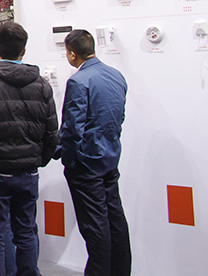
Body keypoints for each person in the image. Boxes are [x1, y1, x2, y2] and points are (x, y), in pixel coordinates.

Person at [0, 22, 58, 276]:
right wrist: (38, 160)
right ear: (23, 50)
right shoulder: (42, 84)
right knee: (26, 231)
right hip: (28, 170)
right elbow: (52, 131)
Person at [58, 30, 131, 276]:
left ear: (72, 54)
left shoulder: (79, 81)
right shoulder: (116, 76)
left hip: (86, 165)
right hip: (110, 158)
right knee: (115, 222)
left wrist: (69, 159)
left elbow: (72, 128)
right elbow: (118, 116)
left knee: (95, 227)